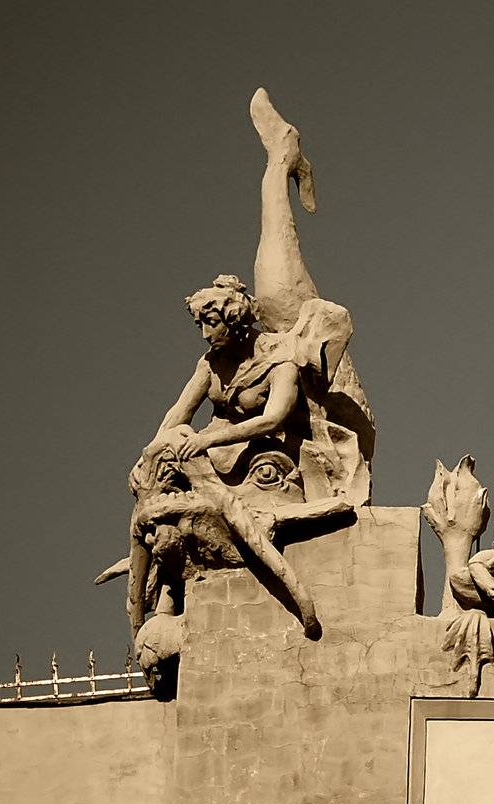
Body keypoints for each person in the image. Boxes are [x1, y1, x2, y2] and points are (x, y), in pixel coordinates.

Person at [144, 89, 372, 505]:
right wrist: (152, 456)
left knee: (275, 276)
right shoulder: (211, 364)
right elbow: (176, 415)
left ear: (233, 323)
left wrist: (207, 442)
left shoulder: (280, 355)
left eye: (210, 324)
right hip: (250, 463)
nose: (204, 335)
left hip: (331, 403)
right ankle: (283, 156)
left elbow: (275, 417)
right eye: (200, 324)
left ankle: (282, 152)